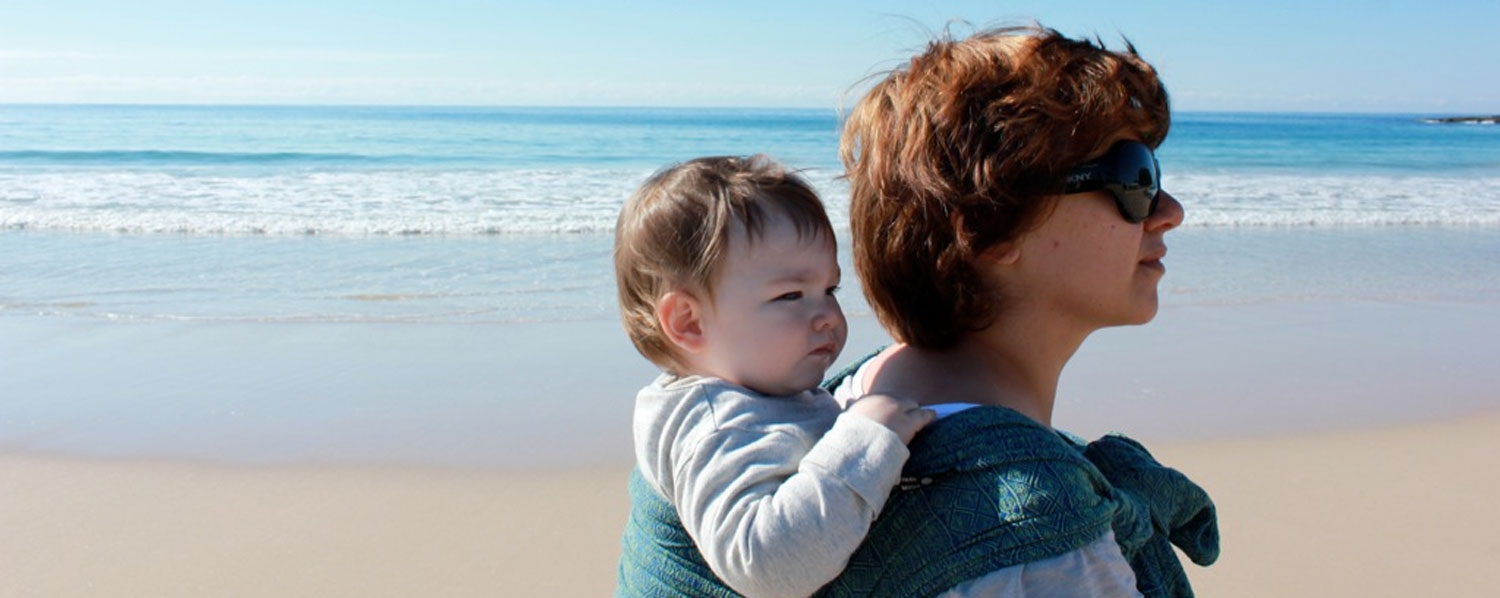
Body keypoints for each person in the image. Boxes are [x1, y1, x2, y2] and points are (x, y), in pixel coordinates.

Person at [617, 25, 1218, 598]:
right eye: (1134, 177)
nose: (1169, 211)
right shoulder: (1029, 545)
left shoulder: (850, 390)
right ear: (990, 224)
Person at [613, 155, 936, 598]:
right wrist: (864, 441)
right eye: (790, 295)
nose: (828, 315)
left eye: (830, 290)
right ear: (688, 322)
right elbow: (766, 564)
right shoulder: (717, 425)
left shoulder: (755, 390)